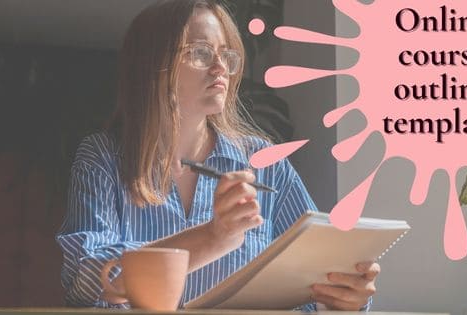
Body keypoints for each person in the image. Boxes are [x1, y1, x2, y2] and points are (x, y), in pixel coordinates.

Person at [56, 0, 379, 311]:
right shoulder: (103, 157)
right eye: (200, 53)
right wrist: (212, 238)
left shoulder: (265, 163)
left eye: (227, 55)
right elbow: (89, 281)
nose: (220, 67)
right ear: (153, 66)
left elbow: (315, 284)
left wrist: (342, 298)